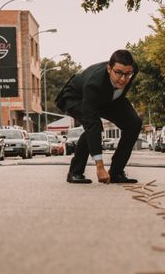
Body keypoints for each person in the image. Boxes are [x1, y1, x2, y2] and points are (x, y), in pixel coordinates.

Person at [54, 49, 142, 184]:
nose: (123, 79)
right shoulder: (94, 84)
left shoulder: (133, 69)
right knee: (93, 126)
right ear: (109, 68)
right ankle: (75, 172)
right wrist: (100, 167)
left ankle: (116, 172)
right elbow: (91, 124)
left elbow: (123, 82)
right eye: (118, 73)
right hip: (76, 97)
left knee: (134, 123)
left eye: (127, 74)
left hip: (108, 98)